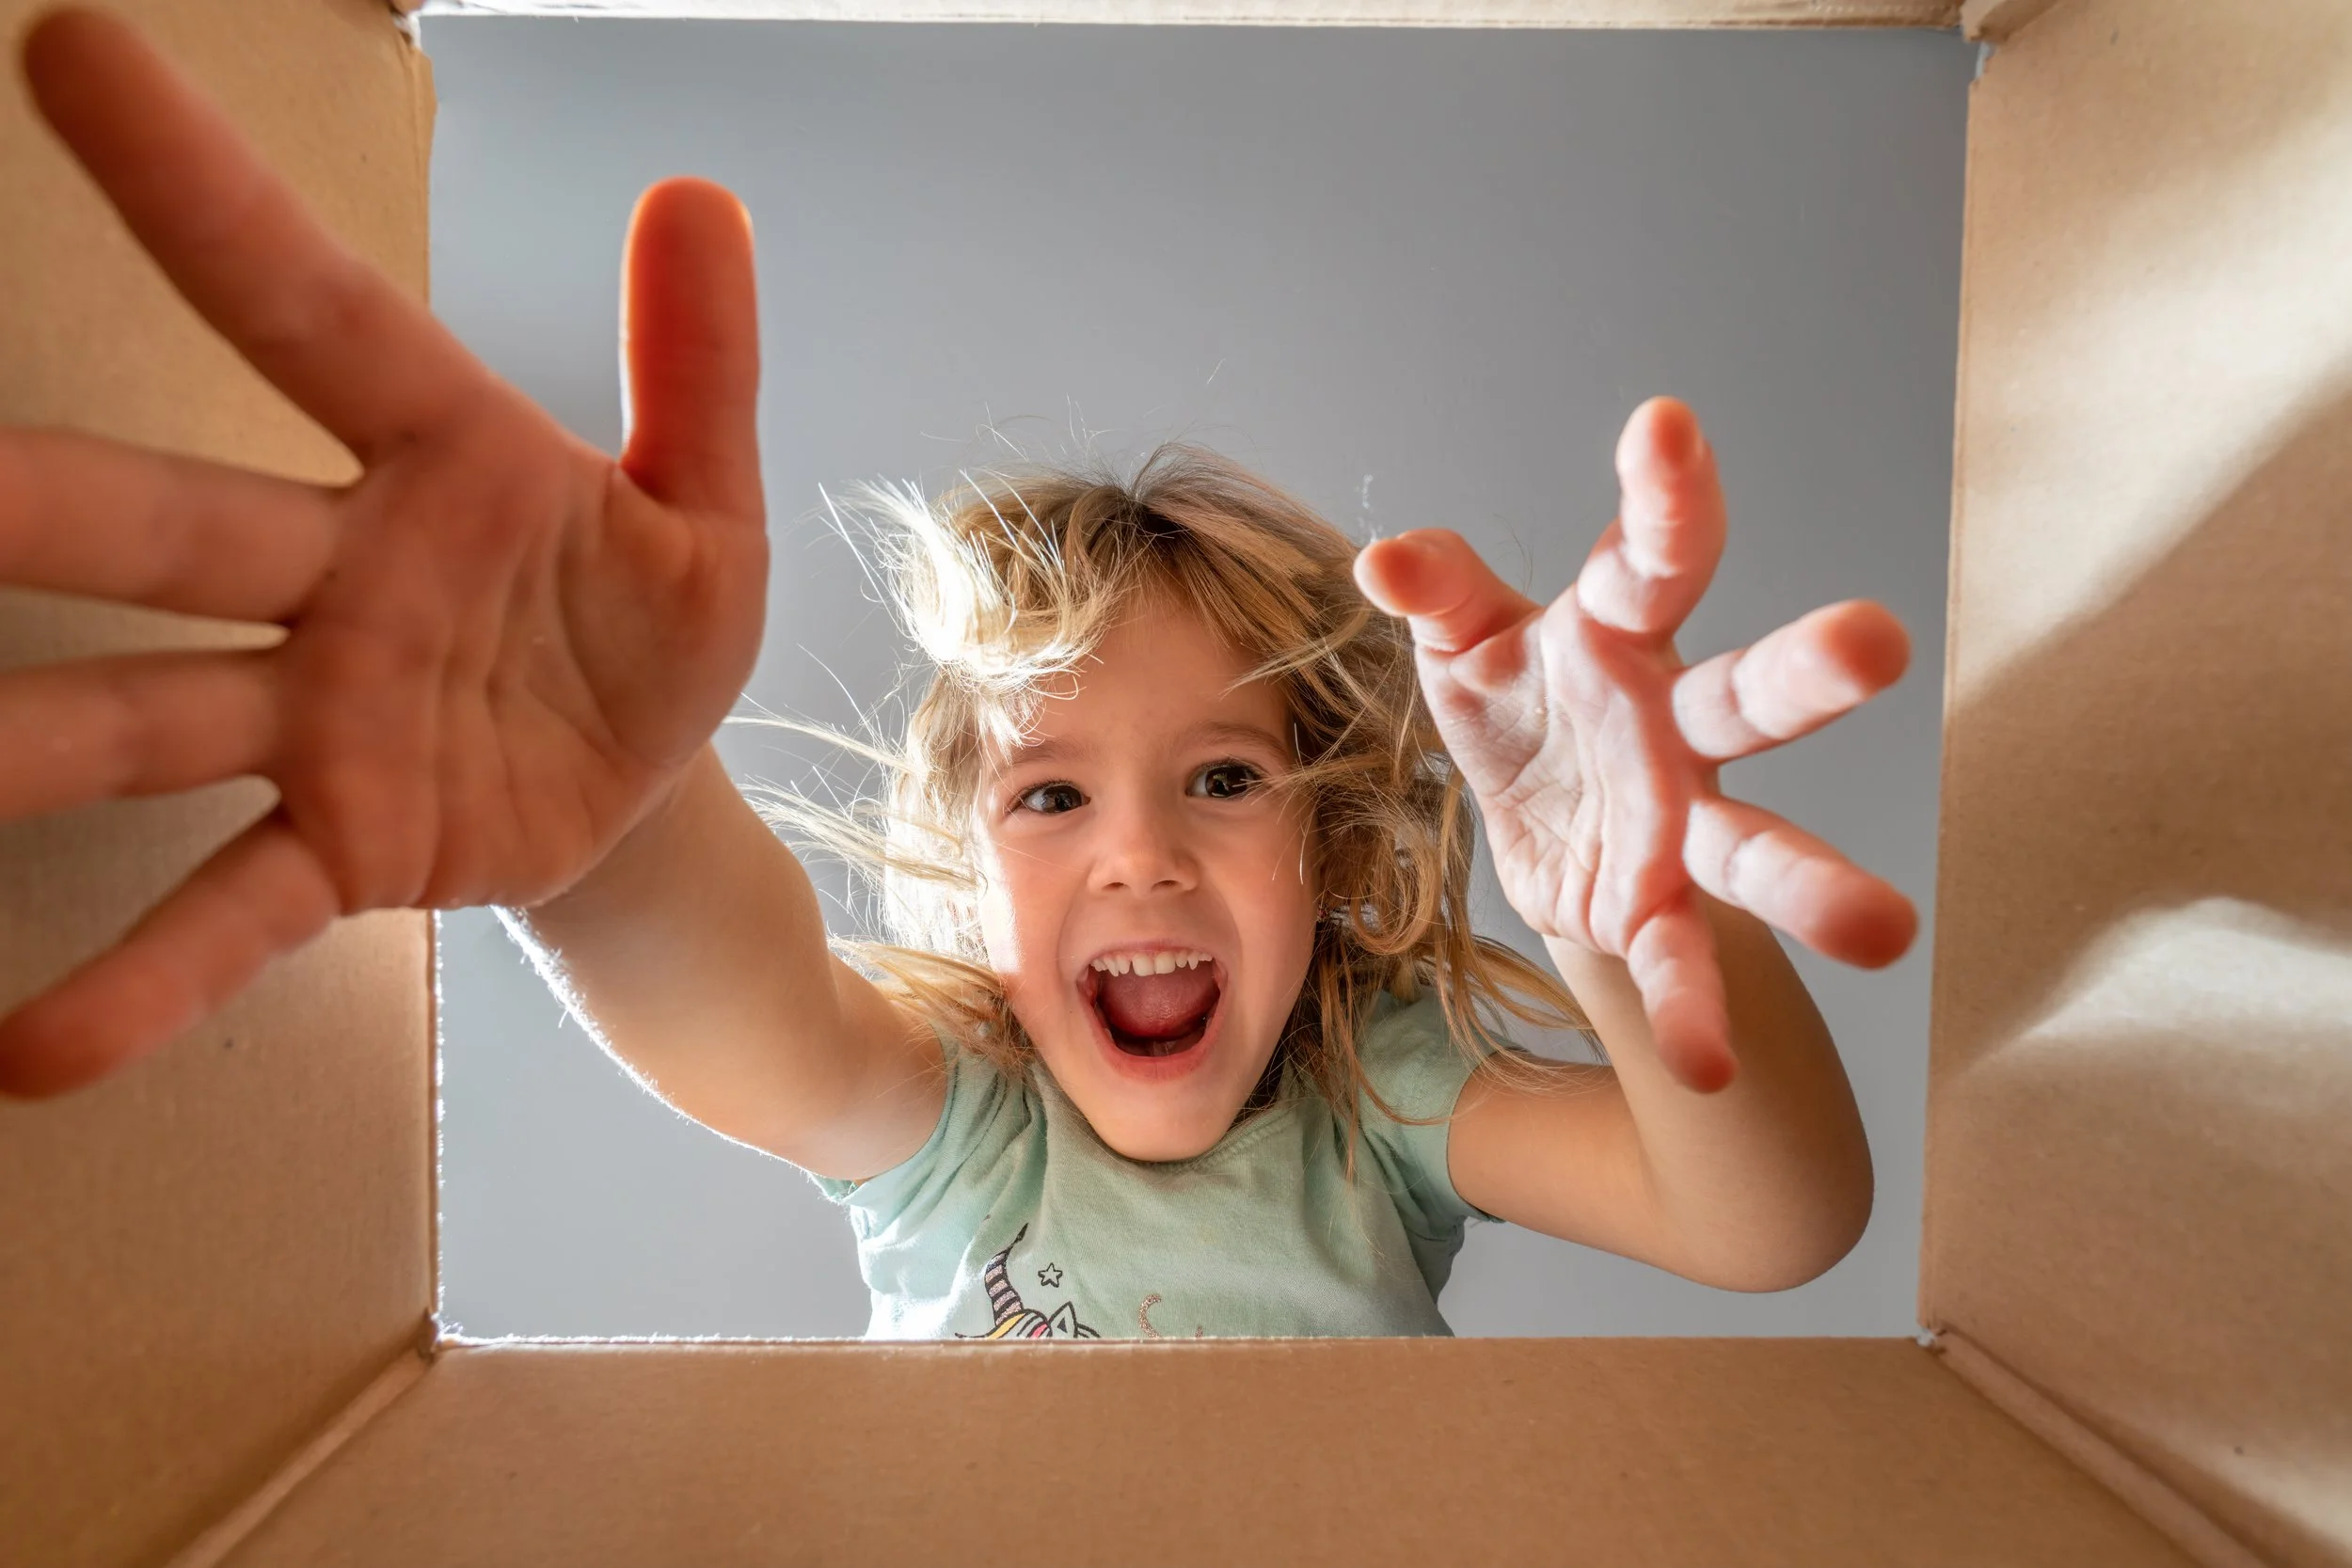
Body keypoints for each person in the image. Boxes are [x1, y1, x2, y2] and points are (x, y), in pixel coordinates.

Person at [0, 10, 1918, 1338]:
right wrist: (613, 825)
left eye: (1225, 779)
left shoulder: (1371, 1113)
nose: (1141, 856)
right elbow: (740, 994)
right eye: (1050, 789)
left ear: (1332, 850)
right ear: (966, 863)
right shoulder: (955, 1125)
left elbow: (1768, 1222)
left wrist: (1621, 913)